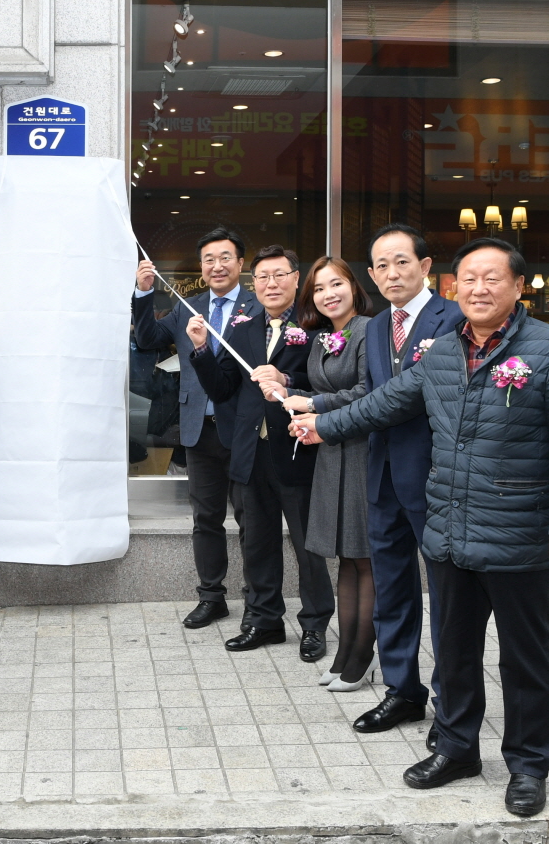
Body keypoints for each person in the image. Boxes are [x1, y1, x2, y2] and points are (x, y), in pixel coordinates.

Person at [298, 236, 549, 817]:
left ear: (518, 286)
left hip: (517, 532)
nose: (479, 289)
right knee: (454, 649)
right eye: (469, 279)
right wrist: (322, 425)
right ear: (453, 286)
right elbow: (387, 402)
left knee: (524, 656)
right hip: (449, 528)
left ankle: (529, 765)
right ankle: (458, 748)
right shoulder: (440, 351)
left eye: (493, 278)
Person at [189, 246, 333, 659]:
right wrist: (201, 350)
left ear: (296, 278)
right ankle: (264, 620)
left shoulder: (318, 326)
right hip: (251, 454)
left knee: (308, 547)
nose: (271, 284)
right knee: (257, 543)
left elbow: (328, 384)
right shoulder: (244, 329)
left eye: (279, 275)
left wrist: (287, 378)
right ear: (254, 285)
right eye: (263, 278)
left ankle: (314, 625)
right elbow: (223, 389)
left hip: (298, 452)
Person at [352, 224, 463, 747]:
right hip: (382, 474)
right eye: (381, 265)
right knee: (392, 588)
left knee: (446, 596)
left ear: (425, 266)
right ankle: (402, 690)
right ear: (371, 276)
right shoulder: (376, 326)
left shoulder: (454, 318)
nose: (391, 273)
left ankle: (450, 703)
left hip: (436, 477)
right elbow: (371, 394)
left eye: (401, 262)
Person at [132, 228, 259, 629]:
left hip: (243, 430)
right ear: (201, 267)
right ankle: (211, 597)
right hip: (197, 428)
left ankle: (257, 601)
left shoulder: (258, 306)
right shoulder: (188, 306)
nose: (217, 266)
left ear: (241, 263)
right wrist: (143, 293)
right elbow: (148, 338)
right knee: (206, 518)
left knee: (251, 519)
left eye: (225, 257)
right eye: (209, 259)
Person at [261, 256, 375, 690]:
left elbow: (368, 391)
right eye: (320, 288)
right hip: (331, 455)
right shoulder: (324, 337)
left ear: (354, 286)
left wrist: (312, 405)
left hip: (362, 453)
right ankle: (346, 653)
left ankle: (362, 656)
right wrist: (287, 389)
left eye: (336, 284)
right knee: (346, 557)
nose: (329, 294)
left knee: (364, 558)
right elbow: (319, 388)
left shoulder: (369, 330)